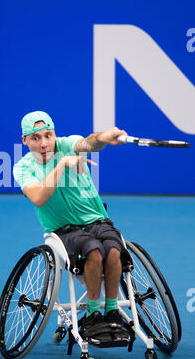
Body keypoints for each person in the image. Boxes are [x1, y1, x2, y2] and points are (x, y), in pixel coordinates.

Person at [13, 111, 131, 345]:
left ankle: (112, 309)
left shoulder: (67, 144)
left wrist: (105, 137)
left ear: (55, 134)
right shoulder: (22, 168)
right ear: (24, 140)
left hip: (97, 220)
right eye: (36, 138)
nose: (44, 143)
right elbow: (38, 197)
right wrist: (62, 165)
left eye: (49, 135)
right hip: (64, 232)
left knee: (114, 250)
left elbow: (88, 142)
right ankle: (93, 313)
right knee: (94, 251)